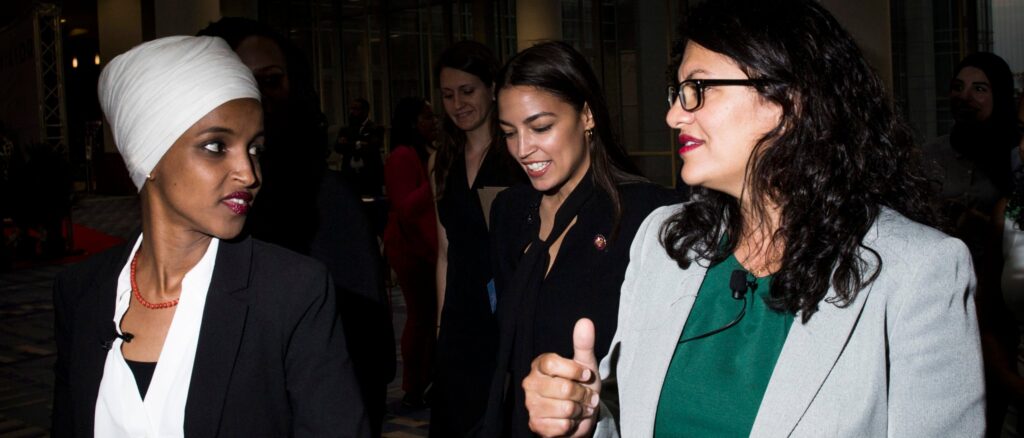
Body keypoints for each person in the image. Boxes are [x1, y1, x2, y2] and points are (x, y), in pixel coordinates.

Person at [521, 1, 985, 436]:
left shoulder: (920, 272)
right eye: (676, 92)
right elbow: (624, 418)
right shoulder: (663, 243)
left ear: (789, 101)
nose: (672, 115)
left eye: (696, 90)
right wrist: (584, 416)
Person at [51, 35, 368, 436]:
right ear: (148, 155)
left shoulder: (291, 293)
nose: (249, 175)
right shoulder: (80, 292)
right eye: (217, 146)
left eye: (254, 149)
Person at [197, 18, 395, 436]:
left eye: (272, 80)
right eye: (241, 79)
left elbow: (364, 348)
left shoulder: (329, 199)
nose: (258, 96)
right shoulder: (198, 200)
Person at [479, 41, 676, 436]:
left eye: (540, 127)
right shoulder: (510, 212)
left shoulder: (648, 216)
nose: (522, 149)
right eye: (508, 133)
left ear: (586, 115)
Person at [430, 40, 524, 437]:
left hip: (506, 309)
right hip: (459, 314)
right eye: (448, 95)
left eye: (467, 91)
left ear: (491, 87)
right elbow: (444, 252)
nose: (457, 104)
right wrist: (439, 328)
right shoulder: (441, 159)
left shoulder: (517, 155)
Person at [924, 52, 1021, 256]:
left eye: (979, 89)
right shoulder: (930, 154)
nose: (964, 97)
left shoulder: (1017, 154)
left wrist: (984, 224)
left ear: (1000, 96)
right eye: (958, 87)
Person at [383, 97, 439, 408]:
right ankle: (413, 384)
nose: (433, 122)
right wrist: (432, 182)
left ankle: (423, 379)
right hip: (410, 248)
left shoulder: (422, 153)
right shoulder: (402, 156)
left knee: (427, 316)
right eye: (427, 116)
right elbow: (405, 206)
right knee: (419, 316)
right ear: (413, 122)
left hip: (423, 244)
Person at [337, 98, 386, 199]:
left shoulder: (375, 128)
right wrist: (359, 143)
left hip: (369, 176)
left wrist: (350, 144)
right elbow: (338, 147)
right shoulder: (346, 129)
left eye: (356, 109)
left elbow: (372, 147)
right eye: (351, 109)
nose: (352, 112)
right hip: (350, 176)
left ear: (365, 111)